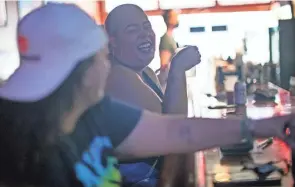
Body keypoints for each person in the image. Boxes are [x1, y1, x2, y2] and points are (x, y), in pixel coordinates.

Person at [0, 3, 295, 187]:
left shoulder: (96, 111)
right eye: (102, 55)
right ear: (84, 71)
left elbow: (176, 131)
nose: (107, 64)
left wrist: (265, 126)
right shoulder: (27, 155)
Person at [104, 4, 200, 187]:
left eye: (147, 27)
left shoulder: (145, 72)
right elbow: (174, 131)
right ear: (113, 41)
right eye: (132, 30)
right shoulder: (118, 76)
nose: (144, 34)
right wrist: (177, 69)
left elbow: (170, 114)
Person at [158, 9, 180, 89]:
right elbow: (164, 65)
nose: (177, 18)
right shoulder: (166, 39)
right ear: (169, 19)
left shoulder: (171, 39)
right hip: (168, 84)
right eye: (175, 16)